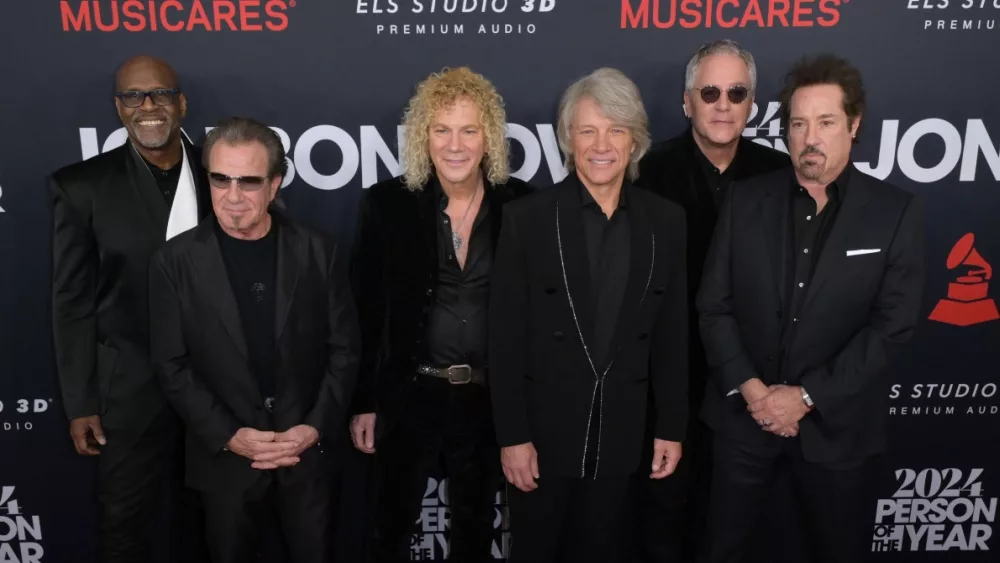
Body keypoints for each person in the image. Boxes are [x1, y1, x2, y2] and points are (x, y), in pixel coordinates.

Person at [696, 54, 925, 563]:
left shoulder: (894, 213)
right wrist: (756, 393)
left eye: (825, 122)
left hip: (837, 434)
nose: (810, 138)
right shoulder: (745, 200)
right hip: (742, 426)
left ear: (854, 124)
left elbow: (891, 327)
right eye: (798, 124)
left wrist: (805, 396)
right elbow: (714, 306)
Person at [489, 67, 689, 563]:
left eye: (616, 130)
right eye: (587, 130)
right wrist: (513, 437)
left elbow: (671, 332)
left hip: (624, 436)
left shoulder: (665, 221)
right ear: (568, 139)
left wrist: (671, 426)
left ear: (635, 141)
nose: (602, 145)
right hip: (542, 441)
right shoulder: (527, 220)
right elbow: (505, 339)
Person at [148, 116, 360, 563]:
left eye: (249, 182)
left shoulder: (320, 250)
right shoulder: (175, 261)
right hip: (225, 464)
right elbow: (172, 364)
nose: (232, 197)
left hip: (307, 457)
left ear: (275, 184)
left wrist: (312, 428)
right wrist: (230, 435)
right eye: (220, 179)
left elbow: (344, 350)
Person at [348, 66, 532, 563]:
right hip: (410, 396)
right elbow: (366, 310)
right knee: (387, 529)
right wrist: (364, 400)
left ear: (489, 136)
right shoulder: (387, 205)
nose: (456, 144)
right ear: (423, 137)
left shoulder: (523, 206)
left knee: (477, 535)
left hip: (489, 400)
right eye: (442, 129)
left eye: (469, 129)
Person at [631, 39, 790, 562]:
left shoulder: (780, 176)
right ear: (686, 101)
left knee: (738, 534)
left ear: (753, 103)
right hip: (664, 389)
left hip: (753, 388)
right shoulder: (647, 175)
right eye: (711, 91)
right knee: (662, 525)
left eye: (737, 92)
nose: (723, 104)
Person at [49, 55, 211, 563]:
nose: (148, 106)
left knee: (210, 521)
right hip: (129, 390)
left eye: (160, 94)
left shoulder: (224, 175)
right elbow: (72, 301)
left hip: (217, 385)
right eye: (133, 97)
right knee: (125, 524)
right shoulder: (81, 187)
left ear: (181, 103)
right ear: (118, 108)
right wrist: (81, 402)